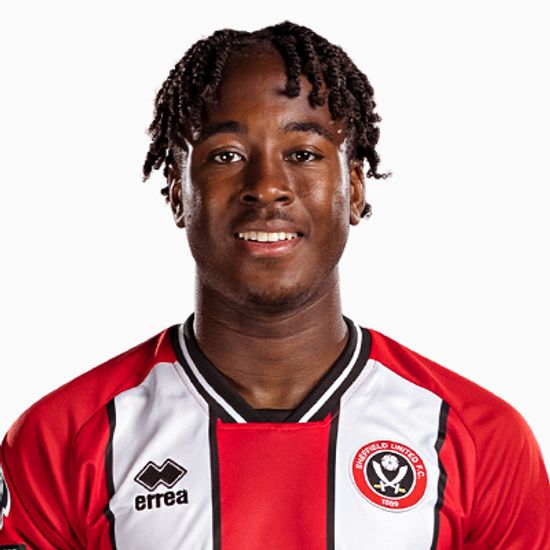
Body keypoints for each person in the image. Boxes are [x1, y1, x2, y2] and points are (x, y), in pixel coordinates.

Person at [0, 20, 548, 550]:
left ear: (355, 189)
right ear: (177, 191)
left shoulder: (478, 437)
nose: (266, 187)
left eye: (303, 154)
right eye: (227, 155)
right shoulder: (63, 439)